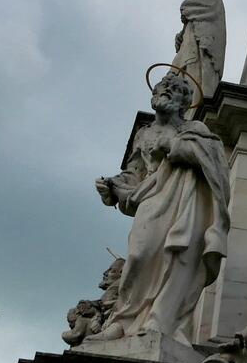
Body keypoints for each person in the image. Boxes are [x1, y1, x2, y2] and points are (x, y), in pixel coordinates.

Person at [91, 72, 231, 346]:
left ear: (184, 102)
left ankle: (160, 319)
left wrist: (174, 146)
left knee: (179, 257)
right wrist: (114, 187)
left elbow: (216, 166)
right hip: (151, 201)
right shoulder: (144, 134)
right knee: (140, 255)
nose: (165, 92)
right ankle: (122, 321)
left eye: (174, 90)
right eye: (162, 88)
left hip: (185, 202)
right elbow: (135, 174)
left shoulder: (194, 131)